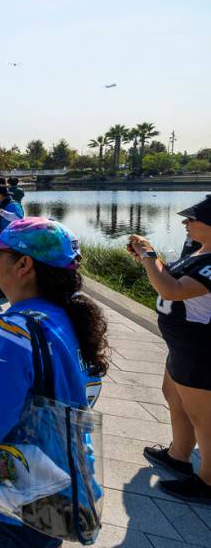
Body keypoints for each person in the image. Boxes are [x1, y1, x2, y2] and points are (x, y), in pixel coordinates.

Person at [0, 217, 109, 548]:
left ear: (24, 265)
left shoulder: (11, 335)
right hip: (56, 491)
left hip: (4, 509)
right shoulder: (67, 319)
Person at [130, 195, 211, 503]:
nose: (185, 224)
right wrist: (148, 256)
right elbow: (167, 277)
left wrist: (150, 255)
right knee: (174, 396)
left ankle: (207, 482)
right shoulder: (199, 252)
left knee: (204, 418)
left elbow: (172, 289)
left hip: (201, 350)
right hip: (181, 345)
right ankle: (179, 455)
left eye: (192, 220)